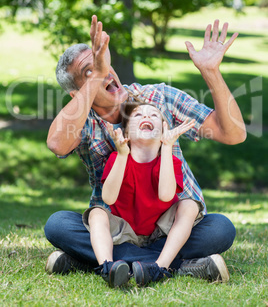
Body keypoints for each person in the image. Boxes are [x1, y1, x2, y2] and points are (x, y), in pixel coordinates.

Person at [44, 15, 246, 284]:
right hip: (119, 228)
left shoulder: (157, 98)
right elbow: (56, 144)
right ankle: (177, 265)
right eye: (88, 71)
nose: (105, 72)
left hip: (173, 225)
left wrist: (211, 71)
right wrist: (97, 78)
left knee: (220, 230)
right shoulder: (82, 119)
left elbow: (233, 134)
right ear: (77, 92)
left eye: (102, 63)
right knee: (58, 225)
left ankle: (96, 261)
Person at [85, 103, 198, 287]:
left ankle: (158, 268)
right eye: (138, 116)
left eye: (154, 115)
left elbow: (166, 195)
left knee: (210, 222)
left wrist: (168, 146)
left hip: (161, 235)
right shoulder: (116, 158)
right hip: (123, 236)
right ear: (127, 133)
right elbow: (108, 199)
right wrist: (122, 155)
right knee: (80, 218)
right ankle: (108, 267)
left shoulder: (171, 161)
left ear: (163, 130)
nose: (146, 117)